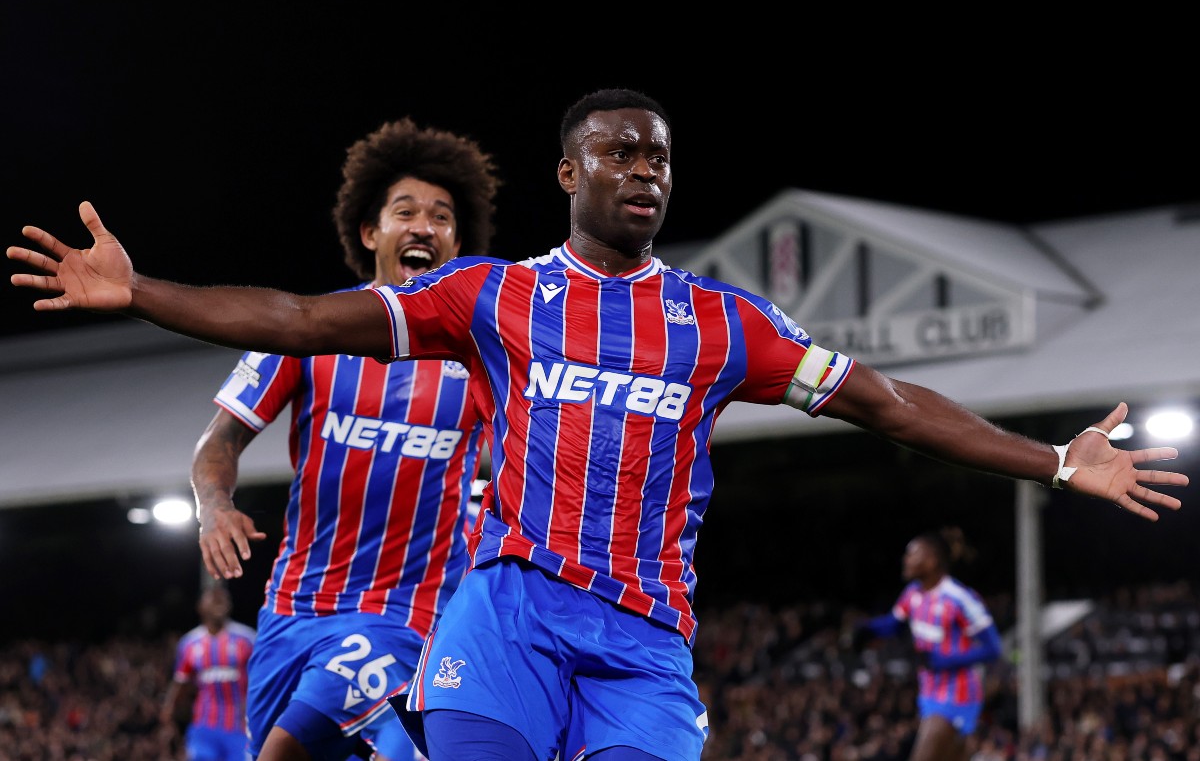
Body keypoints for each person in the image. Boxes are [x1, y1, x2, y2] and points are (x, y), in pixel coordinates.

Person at [9, 88, 1188, 761]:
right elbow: (305, 318)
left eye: (660, 158)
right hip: (506, 612)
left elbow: (890, 404)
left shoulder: (725, 324)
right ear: (568, 173)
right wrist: (145, 290)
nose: (645, 170)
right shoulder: (496, 299)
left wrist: (1051, 459)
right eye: (620, 153)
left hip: (644, 642)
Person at [190, 118, 499, 761]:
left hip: (406, 619)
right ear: (370, 231)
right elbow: (220, 441)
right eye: (406, 211)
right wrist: (215, 505)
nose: (423, 226)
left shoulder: (481, 358)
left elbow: (522, 462)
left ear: (457, 243)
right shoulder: (313, 334)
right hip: (290, 614)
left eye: (441, 217)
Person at [855, 527, 1002, 761]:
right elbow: (895, 623)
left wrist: (943, 661)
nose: (905, 560)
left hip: (957, 697)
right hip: (929, 694)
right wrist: (866, 628)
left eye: (912, 554)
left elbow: (994, 648)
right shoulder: (913, 594)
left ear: (931, 561)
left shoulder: (960, 598)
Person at [161, 582, 257, 761]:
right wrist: (168, 713)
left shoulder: (247, 639)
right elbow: (180, 684)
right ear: (200, 606)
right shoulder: (189, 644)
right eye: (213, 598)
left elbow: (260, 681)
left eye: (223, 598)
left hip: (239, 728)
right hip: (203, 728)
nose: (218, 601)